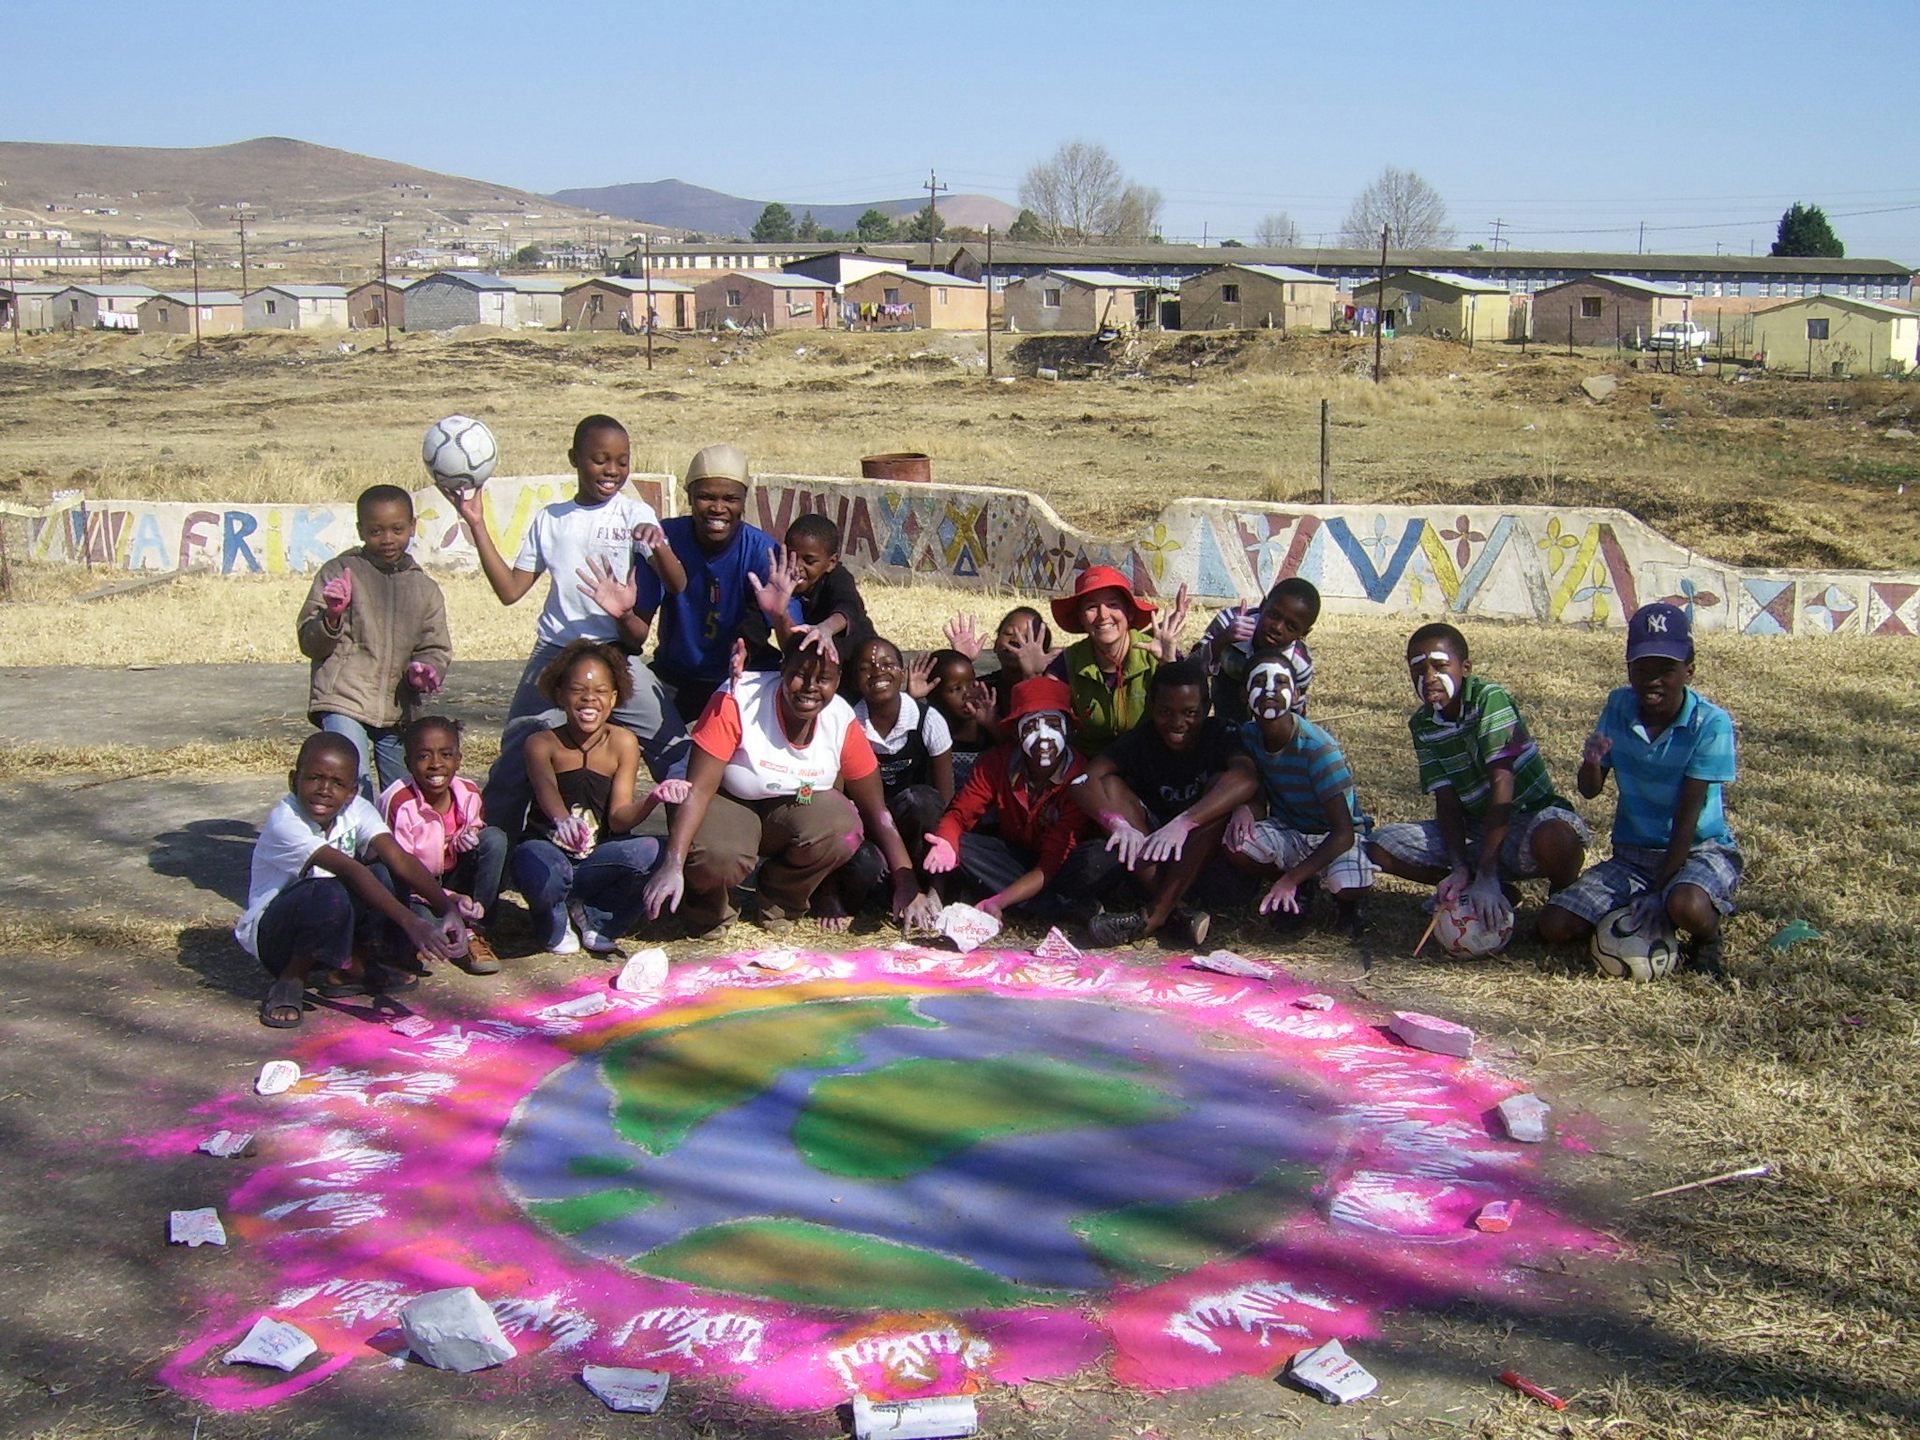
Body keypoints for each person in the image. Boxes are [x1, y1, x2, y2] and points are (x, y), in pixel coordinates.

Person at [456, 414, 689, 831]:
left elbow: (678, 583)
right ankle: (490, 859)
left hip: (613, 654)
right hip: (557, 654)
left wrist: (659, 549)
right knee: (515, 755)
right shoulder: (551, 519)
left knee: (676, 752)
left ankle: (686, 857)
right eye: (600, 460)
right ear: (575, 459)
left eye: (622, 461)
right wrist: (476, 524)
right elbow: (510, 590)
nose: (612, 471)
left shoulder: (635, 514)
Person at [642, 639, 935, 936]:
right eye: (799, 675)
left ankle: (781, 899)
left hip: (787, 808)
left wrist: (907, 885)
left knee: (844, 827)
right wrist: (673, 863)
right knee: (719, 854)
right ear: (782, 670)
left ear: (838, 682)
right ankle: (709, 909)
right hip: (725, 798)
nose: (809, 687)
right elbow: (699, 791)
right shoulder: (737, 697)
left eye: (823, 680)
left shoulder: (842, 720)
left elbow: (877, 812)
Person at [1539, 603, 1739, 974]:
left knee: (1686, 905)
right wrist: (1592, 761)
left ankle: (1707, 938)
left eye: (1666, 669)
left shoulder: (1710, 724)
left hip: (1697, 849)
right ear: (1629, 668)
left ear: (1688, 671)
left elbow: (1687, 815)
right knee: (1554, 925)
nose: (1653, 680)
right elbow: (1589, 791)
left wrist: (1659, 891)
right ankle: (1625, 922)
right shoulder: (1619, 705)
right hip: (1633, 855)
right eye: (1642, 668)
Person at [236, 732, 468, 1028]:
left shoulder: (356, 809)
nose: (324, 790)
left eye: (337, 783)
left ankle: (352, 967)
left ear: (352, 792)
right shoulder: (286, 822)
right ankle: (290, 981)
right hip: (278, 937)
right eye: (314, 778)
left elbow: (398, 858)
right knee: (328, 891)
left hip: (330, 923)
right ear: (293, 780)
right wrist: (412, 922)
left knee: (383, 870)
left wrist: (447, 908)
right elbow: (350, 870)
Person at [1368, 624, 1587, 931]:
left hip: (1525, 821)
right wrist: (1459, 867)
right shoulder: (1422, 724)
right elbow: (1446, 801)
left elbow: (1503, 784)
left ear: (1465, 668)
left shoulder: (1489, 699)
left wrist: (1486, 871)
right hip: (1476, 828)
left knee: (1557, 836)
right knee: (1380, 845)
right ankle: (1473, 888)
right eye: (1417, 669)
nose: (1428, 677)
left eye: (1440, 666)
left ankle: (1562, 893)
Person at [1178, 648, 1374, 937]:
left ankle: (1345, 905)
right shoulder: (1248, 736)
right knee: (1237, 843)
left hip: (1337, 837)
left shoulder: (1318, 749)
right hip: (1290, 829)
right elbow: (1244, 778)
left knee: (1348, 884)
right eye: (1259, 682)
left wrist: (1290, 878)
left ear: (1296, 695)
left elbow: (1343, 832)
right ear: (1245, 696)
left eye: (1281, 683)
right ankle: (1302, 888)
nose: (1270, 690)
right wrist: (1243, 806)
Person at [510, 641, 687, 955]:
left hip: (595, 859)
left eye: (601, 691)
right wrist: (562, 820)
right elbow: (546, 790)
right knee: (532, 860)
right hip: (549, 855)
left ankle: (596, 917)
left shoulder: (624, 742)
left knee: (656, 850)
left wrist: (652, 799)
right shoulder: (540, 742)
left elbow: (619, 817)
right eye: (578, 689)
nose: (589, 698)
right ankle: (553, 918)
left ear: (614, 698)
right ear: (560, 694)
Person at [297, 484, 451, 798]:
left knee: (401, 793)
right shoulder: (340, 573)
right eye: (375, 530)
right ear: (360, 530)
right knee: (354, 779)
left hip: (399, 707)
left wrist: (426, 669)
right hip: (344, 696)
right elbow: (309, 641)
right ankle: (354, 846)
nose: (387, 539)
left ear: (412, 526)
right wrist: (331, 617)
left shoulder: (424, 588)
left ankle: (390, 846)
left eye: (397, 529)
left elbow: (435, 645)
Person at [924, 675, 1115, 926]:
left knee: (1100, 857)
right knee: (963, 845)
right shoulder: (995, 763)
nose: (1044, 736)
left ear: (1068, 729)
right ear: (1017, 731)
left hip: (1060, 866)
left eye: (1053, 725)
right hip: (1014, 859)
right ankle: (1061, 908)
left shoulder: (1080, 779)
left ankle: (1021, 901)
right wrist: (946, 842)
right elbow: (959, 814)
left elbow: (1050, 863)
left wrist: (998, 902)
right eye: (1032, 726)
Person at [1074, 658, 1238, 948]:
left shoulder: (1221, 733)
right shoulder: (1140, 740)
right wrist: (1117, 823)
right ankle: (1178, 911)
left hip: (1203, 856)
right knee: (1110, 785)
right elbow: (1084, 780)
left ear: (1208, 706)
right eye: (1165, 712)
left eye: (1190, 713)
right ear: (1151, 707)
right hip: (1151, 858)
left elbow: (1246, 778)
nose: (1177, 723)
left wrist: (1186, 821)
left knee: (1220, 794)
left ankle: (1154, 916)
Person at [634, 443, 782, 722]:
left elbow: (792, 634)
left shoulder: (764, 552)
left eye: (730, 498)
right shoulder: (664, 539)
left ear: (744, 499)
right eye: (705, 497)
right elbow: (636, 630)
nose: (718, 508)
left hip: (742, 677)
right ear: (689, 495)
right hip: (675, 674)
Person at [829, 636, 955, 921]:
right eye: (865, 667)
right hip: (867, 830)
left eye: (888, 664)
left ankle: (932, 892)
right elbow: (837, 802)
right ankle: (879, 896)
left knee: (921, 800)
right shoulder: (845, 723)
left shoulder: (928, 720)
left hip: (917, 832)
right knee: (865, 865)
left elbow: (945, 800)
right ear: (853, 678)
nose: (877, 671)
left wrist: (937, 883)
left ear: (902, 672)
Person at [377, 716, 509, 975]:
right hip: (415, 888)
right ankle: (435, 929)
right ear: (408, 763)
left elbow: (477, 838)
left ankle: (474, 928)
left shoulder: (469, 792)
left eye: (446, 754)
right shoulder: (399, 803)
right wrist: (451, 900)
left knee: (494, 839)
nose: (436, 764)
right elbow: (400, 870)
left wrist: (464, 839)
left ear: (459, 759)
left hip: (453, 880)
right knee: (426, 936)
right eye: (423, 756)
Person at [1039, 565, 1191, 757]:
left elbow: (1187, 714)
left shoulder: (1157, 650)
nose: (1103, 615)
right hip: (1091, 762)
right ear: (1080, 618)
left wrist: (1169, 663)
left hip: (1153, 756)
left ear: (1129, 613)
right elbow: (1042, 713)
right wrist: (1032, 673)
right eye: (1091, 607)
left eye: (1113, 605)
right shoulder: (1068, 662)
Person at [740, 513, 874, 668]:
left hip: (856, 664)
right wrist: (744, 651)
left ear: (831, 562)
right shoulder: (780, 582)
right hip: (814, 668)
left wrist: (826, 628)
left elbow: (848, 607)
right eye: (791, 557)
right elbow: (756, 627)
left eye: (809, 561)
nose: (797, 567)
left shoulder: (837, 578)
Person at [1194, 577, 1319, 725]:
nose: (1277, 628)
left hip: (1272, 694)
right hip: (1229, 682)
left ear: (1303, 633)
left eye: (1291, 626)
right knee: (1230, 728)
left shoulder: (1300, 663)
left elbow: (1296, 712)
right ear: (1263, 605)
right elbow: (1192, 669)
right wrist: (1223, 639)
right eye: (1274, 615)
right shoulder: (1231, 621)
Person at [922, 648, 997, 790]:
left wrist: (993, 725)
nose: (967, 694)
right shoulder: (928, 732)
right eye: (956, 689)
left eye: (971, 684)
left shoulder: (988, 727)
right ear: (932, 694)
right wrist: (911, 696)